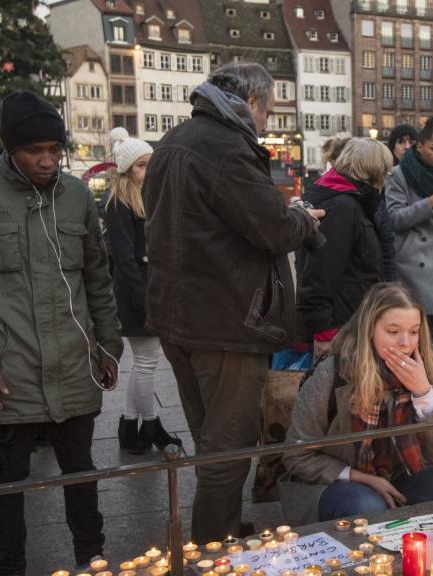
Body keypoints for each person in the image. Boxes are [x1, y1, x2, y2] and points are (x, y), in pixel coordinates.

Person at [0, 91, 122, 576]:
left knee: (81, 472)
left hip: (74, 363)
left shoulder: (77, 195)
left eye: (55, 150)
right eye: (35, 150)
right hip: (8, 370)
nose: (47, 160)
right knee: (9, 480)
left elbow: (98, 277)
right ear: (10, 149)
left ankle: (93, 563)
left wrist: (108, 343)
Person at [144, 62, 322, 542]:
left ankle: (218, 525)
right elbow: (273, 229)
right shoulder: (227, 148)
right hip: (224, 320)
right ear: (252, 103)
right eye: (269, 111)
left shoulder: (176, 140)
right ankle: (214, 544)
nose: (267, 122)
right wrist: (303, 220)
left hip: (179, 315)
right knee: (228, 444)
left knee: (209, 438)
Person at [280, 283, 433, 522]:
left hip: (397, 475)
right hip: (339, 481)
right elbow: (296, 456)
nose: (405, 343)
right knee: (366, 504)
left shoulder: (424, 371)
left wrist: (423, 393)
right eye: (392, 331)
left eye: (414, 331)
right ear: (370, 329)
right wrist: (364, 478)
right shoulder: (334, 373)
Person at [104, 135, 182, 454]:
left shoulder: (148, 198)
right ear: (126, 171)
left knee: (142, 363)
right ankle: (149, 425)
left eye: (151, 164)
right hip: (137, 293)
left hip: (151, 291)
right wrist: (145, 301)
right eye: (141, 165)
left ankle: (129, 424)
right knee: (147, 362)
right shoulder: (118, 204)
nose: (148, 170)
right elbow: (123, 260)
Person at [298, 138, 394, 354]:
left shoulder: (342, 199)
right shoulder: (343, 206)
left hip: (349, 320)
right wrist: (324, 331)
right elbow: (320, 271)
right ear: (374, 170)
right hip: (341, 327)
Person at [386, 116, 433, 351]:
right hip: (412, 271)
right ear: (419, 147)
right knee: (412, 348)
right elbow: (394, 218)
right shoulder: (399, 174)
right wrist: (430, 202)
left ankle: (429, 386)